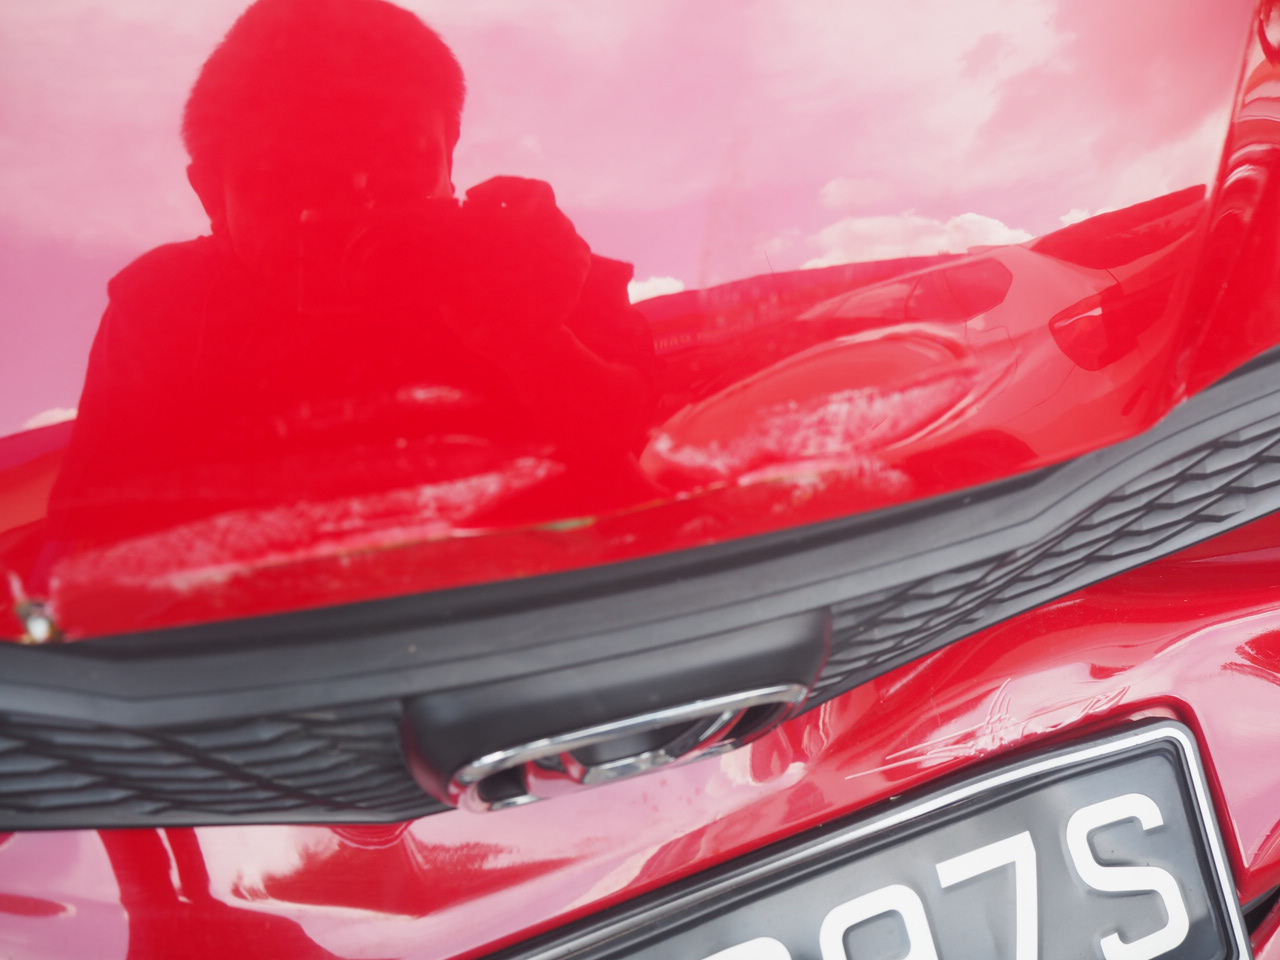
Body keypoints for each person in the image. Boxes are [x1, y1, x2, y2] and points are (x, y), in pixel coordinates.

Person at [51, 0, 657, 546]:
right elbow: (95, 535)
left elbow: (634, 439)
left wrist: (531, 340)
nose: (353, 208)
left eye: (396, 162)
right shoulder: (168, 308)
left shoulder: (519, 257)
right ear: (213, 196)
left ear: (449, 156)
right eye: (295, 179)